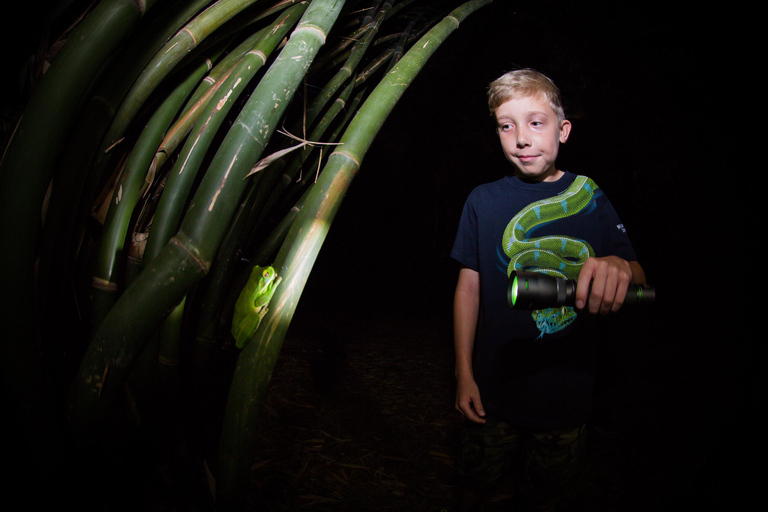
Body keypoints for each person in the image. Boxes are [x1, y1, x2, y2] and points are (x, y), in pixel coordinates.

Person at [450, 68, 646, 511]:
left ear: (564, 130)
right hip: (494, 389)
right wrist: (463, 373)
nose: (520, 138)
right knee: (478, 488)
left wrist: (619, 266)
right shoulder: (482, 200)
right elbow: (468, 290)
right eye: (506, 125)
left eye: (535, 123)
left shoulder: (590, 194)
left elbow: (637, 274)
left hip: (568, 395)